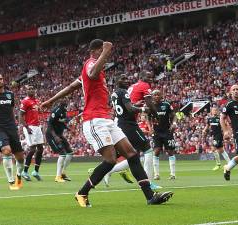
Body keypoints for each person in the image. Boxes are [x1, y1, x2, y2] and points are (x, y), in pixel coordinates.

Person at [41, 39, 172, 207]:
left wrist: (50, 101)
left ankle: (150, 196)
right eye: (103, 52)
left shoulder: (95, 70)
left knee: (132, 154)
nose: (107, 56)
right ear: (96, 50)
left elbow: (70, 87)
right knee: (110, 160)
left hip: (106, 120)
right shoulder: (91, 64)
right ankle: (82, 192)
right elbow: (92, 73)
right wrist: (106, 51)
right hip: (94, 120)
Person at [102, 75, 161, 189]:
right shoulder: (124, 92)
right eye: (123, 79)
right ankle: (148, 183)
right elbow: (129, 109)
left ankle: (107, 171)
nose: (126, 80)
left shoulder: (114, 93)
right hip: (129, 125)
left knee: (132, 155)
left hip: (121, 123)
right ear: (117, 81)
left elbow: (125, 107)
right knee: (148, 150)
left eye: (126, 78)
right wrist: (143, 109)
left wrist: (135, 105)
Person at [19, 85, 45, 181]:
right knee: (32, 149)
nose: (31, 90)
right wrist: (26, 127)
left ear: (34, 90)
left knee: (40, 148)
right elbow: (20, 116)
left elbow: (38, 112)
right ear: (26, 91)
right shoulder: (25, 101)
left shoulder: (36, 101)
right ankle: (24, 172)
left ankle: (36, 171)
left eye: (32, 88)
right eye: (29, 89)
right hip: (30, 127)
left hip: (37, 127)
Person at [150, 90, 177, 180]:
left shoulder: (166, 105)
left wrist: (174, 123)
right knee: (156, 151)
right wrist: (150, 128)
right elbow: (147, 118)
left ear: (161, 96)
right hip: (156, 132)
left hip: (167, 131)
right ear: (152, 96)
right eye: (154, 95)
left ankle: (173, 174)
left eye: (158, 94)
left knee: (170, 151)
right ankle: (156, 174)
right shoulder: (151, 106)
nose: (156, 96)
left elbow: (174, 115)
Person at [45, 101, 74, 182]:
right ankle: (58, 177)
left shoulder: (64, 112)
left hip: (59, 134)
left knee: (70, 153)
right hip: (52, 135)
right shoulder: (55, 111)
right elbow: (50, 125)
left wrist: (68, 129)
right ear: (61, 105)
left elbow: (61, 122)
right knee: (62, 154)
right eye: (65, 107)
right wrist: (55, 136)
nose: (66, 108)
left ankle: (62, 173)